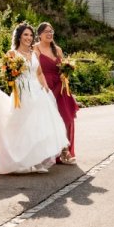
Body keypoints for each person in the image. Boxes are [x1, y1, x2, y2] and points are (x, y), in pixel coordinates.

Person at [0, 23, 69, 174]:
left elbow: (39, 72)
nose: (28, 38)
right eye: (25, 35)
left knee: (40, 127)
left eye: (30, 35)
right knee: (22, 127)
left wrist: (45, 86)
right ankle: (21, 161)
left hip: (38, 92)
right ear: (19, 37)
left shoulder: (34, 53)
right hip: (22, 93)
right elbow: (7, 76)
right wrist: (13, 78)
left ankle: (38, 161)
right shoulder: (12, 54)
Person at [35, 22, 78, 164]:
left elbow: (64, 67)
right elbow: (33, 69)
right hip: (45, 86)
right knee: (48, 119)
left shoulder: (57, 50)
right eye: (46, 31)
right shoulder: (35, 49)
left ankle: (64, 151)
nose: (49, 34)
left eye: (51, 31)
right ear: (39, 34)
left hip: (60, 86)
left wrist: (65, 74)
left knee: (65, 117)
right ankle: (48, 152)